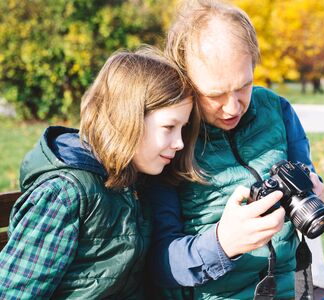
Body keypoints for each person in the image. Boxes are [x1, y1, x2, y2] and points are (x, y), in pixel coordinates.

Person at [147, 0, 324, 299]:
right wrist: (224, 243)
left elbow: (312, 192)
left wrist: (322, 199)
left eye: (244, 86)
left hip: (288, 292)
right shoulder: (170, 138)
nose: (232, 106)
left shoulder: (277, 110)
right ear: (185, 76)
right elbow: (157, 263)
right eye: (215, 94)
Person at [0, 46, 201, 299]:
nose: (179, 143)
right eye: (169, 127)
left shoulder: (135, 182)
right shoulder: (65, 195)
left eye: (182, 128)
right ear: (127, 119)